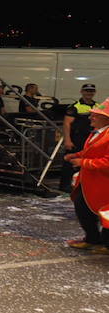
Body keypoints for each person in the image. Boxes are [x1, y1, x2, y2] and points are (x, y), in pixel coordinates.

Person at [66, 100, 109, 253]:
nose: (90, 118)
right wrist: (75, 155)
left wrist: (83, 162)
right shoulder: (98, 133)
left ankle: (105, 244)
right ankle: (93, 239)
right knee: (83, 207)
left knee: (106, 213)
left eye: (95, 116)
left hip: (104, 183)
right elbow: (91, 152)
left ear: (105, 119)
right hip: (91, 183)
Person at [62, 84, 98, 191]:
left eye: (91, 91)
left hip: (91, 138)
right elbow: (66, 124)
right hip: (76, 138)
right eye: (87, 91)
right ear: (81, 91)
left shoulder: (98, 106)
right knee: (70, 162)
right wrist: (67, 140)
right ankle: (65, 186)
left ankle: (84, 185)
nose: (89, 93)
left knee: (88, 161)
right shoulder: (74, 107)